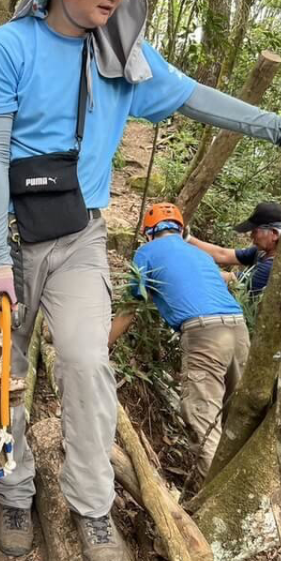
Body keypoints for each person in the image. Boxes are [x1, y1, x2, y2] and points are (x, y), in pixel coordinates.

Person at [0, 0, 281, 561]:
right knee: (4, 367)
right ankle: (13, 489)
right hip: (4, 226)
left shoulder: (125, 55)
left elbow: (200, 99)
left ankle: (91, 506)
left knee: (89, 363)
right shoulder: (9, 46)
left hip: (79, 234)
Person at [109, 203, 250, 476]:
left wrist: (102, 346)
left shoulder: (146, 252)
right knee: (238, 413)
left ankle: (214, 497)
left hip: (204, 334)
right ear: (181, 229)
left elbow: (130, 308)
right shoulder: (199, 254)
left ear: (148, 232)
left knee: (202, 415)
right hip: (238, 327)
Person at [188, 201, 281, 297]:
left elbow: (228, 279)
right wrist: (186, 237)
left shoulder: (272, 267)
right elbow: (222, 254)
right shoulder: (261, 252)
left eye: (255, 232)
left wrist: (188, 271)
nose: (251, 236)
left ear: (274, 234)